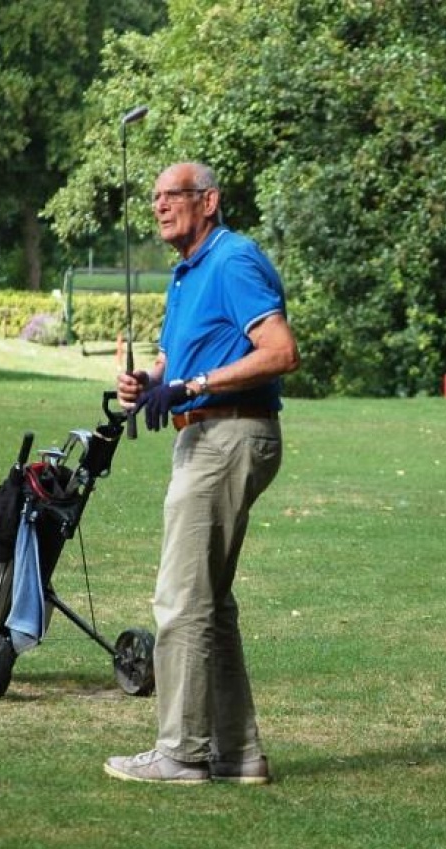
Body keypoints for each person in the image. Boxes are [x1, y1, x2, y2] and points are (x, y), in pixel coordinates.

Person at [104, 161, 300, 786]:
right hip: (204, 435)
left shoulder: (233, 260)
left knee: (182, 599)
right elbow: (175, 360)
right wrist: (150, 381)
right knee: (210, 603)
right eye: (155, 197)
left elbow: (281, 352)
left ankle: (181, 753)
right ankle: (238, 755)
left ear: (208, 201)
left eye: (173, 195)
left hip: (228, 434)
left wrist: (195, 385)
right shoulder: (187, 274)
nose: (160, 206)